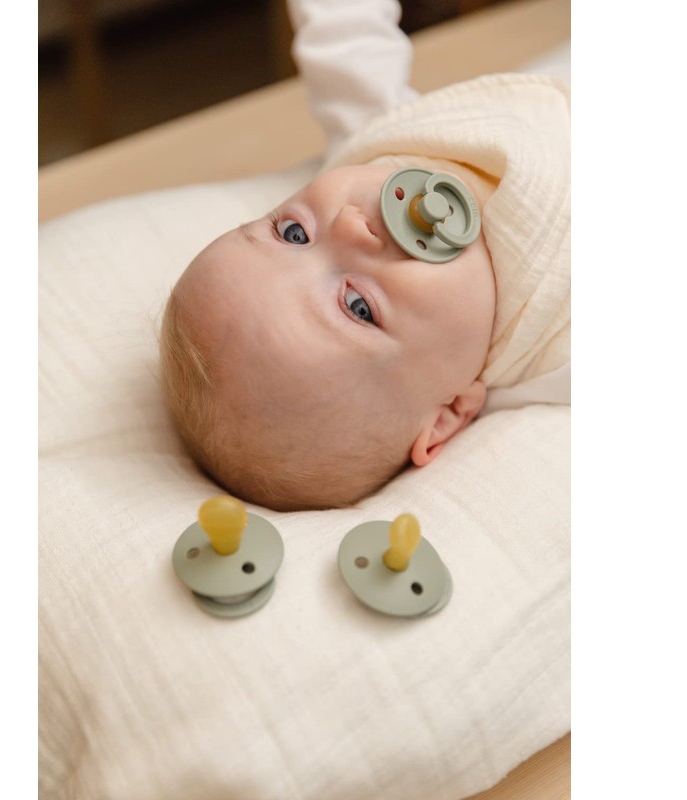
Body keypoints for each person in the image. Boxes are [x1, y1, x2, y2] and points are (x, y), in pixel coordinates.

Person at [159, 0, 570, 511]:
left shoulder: (373, 138)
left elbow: (346, 34)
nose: (352, 227)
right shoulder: (551, 355)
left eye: (293, 232)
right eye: (358, 307)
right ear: (448, 414)